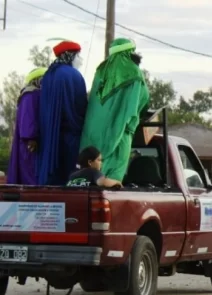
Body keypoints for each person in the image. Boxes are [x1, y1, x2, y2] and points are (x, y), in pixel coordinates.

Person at [81, 38, 150, 181]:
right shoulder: (133, 72)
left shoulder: (101, 71)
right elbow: (141, 101)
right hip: (119, 136)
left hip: (92, 137)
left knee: (92, 180)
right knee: (113, 178)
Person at [36, 40, 88, 185]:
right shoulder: (74, 75)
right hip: (70, 137)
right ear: (70, 56)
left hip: (49, 136)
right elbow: (80, 107)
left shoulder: (48, 75)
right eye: (78, 56)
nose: (81, 60)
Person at [7, 67, 46, 185]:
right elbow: (28, 118)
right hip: (29, 145)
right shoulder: (30, 94)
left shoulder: (37, 93)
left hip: (35, 142)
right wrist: (31, 138)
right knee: (30, 174)